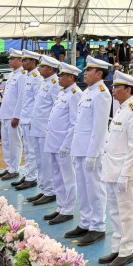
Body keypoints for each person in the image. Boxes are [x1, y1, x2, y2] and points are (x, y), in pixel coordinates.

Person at [100, 71, 133, 266]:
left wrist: (125, 175)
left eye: (117, 87)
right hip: (112, 169)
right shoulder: (120, 109)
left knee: (126, 212)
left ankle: (127, 251)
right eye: (113, 86)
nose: (113, 90)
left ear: (128, 90)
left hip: (124, 171)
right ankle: (117, 247)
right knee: (114, 211)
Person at [65, 56, 113, 245]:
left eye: (88, 70)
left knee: (95, 189)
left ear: (99, 73)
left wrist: (93, 154)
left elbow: (99, 128)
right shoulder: (88, 91)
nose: (84, 73)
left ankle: (98, 226)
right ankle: (85, 222)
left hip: (91, 150)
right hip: (80, 148)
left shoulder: (102, 94)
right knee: (83, 187)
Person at [43, 63, 83, 226]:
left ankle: (67, 210)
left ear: (71, 78)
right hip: (54, 141)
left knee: (67, 177)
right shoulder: (63, 92)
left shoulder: (75, 94)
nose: (59, 78)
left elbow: (75, 123)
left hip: (63, 143)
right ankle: (60, 206)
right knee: (56, 175)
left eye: (62, 76)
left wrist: (67, 145)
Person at [25, 55, 62, 207]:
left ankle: (51, 191)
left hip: (46, 130)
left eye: (42, 67)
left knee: (47, 162)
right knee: (40, 161)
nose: (39, 69)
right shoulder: (45, 82)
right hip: (37, 128)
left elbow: (56, 108)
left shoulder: (55, 84)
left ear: (50, 69)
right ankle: (44, 188)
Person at [11, 50, 43, 189]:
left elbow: (37, 102)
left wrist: (32, 120)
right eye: (22, 60)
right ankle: (28, 174)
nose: (23, 63)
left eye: (25, 60)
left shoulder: (37, 78)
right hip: (25, 118)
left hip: (30, 120)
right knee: (28, 150)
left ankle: (31, 177)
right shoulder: (28, 77)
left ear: (33, 62)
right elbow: (24, 99)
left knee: (32, 150)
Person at [0, 49, 27, 182]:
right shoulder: (12, 75)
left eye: (12, 59)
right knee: (6, 142)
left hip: (13, 114)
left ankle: (14, 168)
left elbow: (21, 98)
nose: (9, 61)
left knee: (14, 143)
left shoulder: (23, 75)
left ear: (20, 60)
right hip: (6, 113)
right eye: (9, 59)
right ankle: (9, 166)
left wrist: (17, 116)